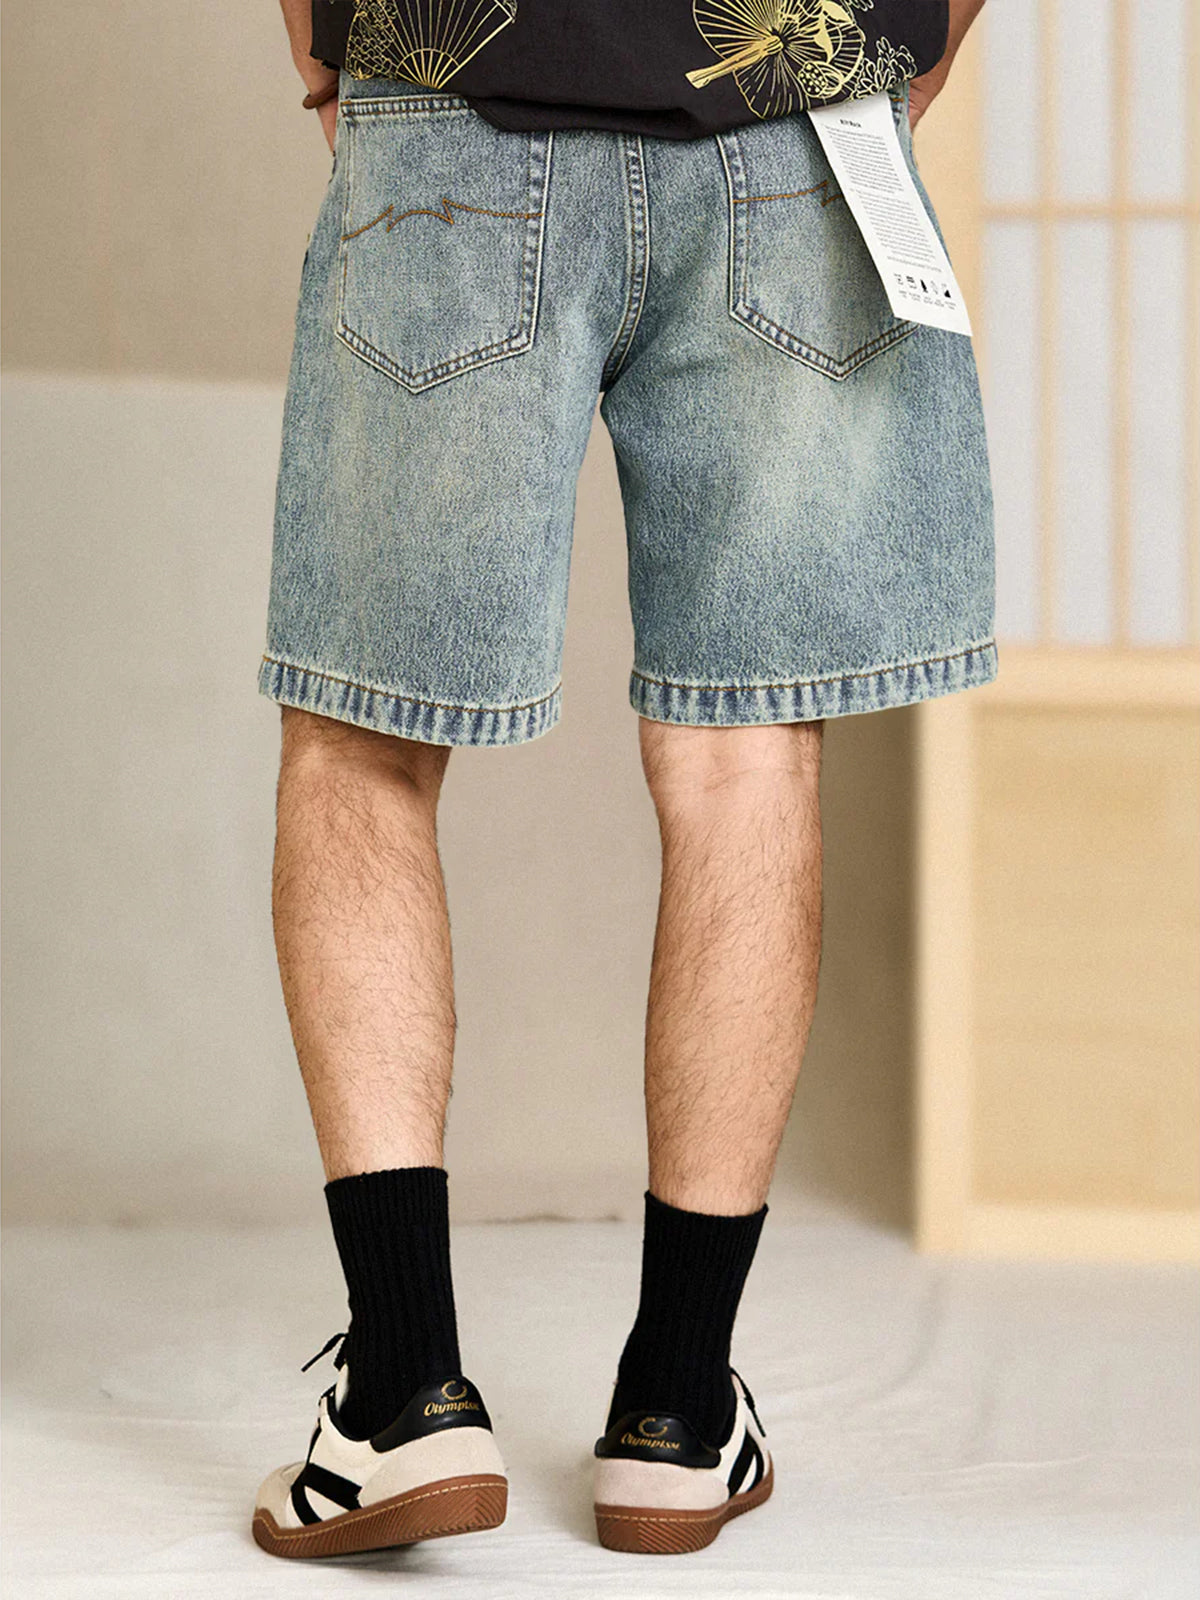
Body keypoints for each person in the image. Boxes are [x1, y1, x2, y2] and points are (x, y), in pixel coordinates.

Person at [253, 0, 992, 1561]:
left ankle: (400, 1391)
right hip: (795, 91)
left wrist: (331, 51)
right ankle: (678, 1409)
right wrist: (899, 45)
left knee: (364, 745)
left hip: (457, 82)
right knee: (744, 755)